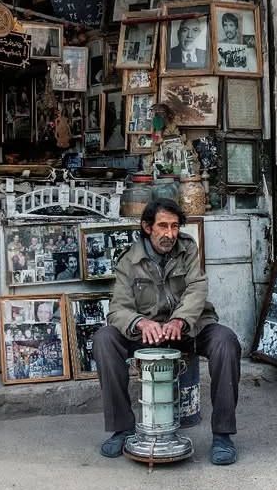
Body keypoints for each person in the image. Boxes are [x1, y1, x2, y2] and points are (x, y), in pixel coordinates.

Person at [92, 198, 241, 465]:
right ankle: (122, 428)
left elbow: (197, 288)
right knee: (104, 339)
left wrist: (180, 321)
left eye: (174, 226)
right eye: (163, 226)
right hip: (146, 336)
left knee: (225, 341)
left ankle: (223, 434)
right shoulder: (129, 261)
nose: (170, 233)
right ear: (147, 227)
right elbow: (118, 308)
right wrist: (140, 323)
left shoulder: (188, 249)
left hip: (187, 329)